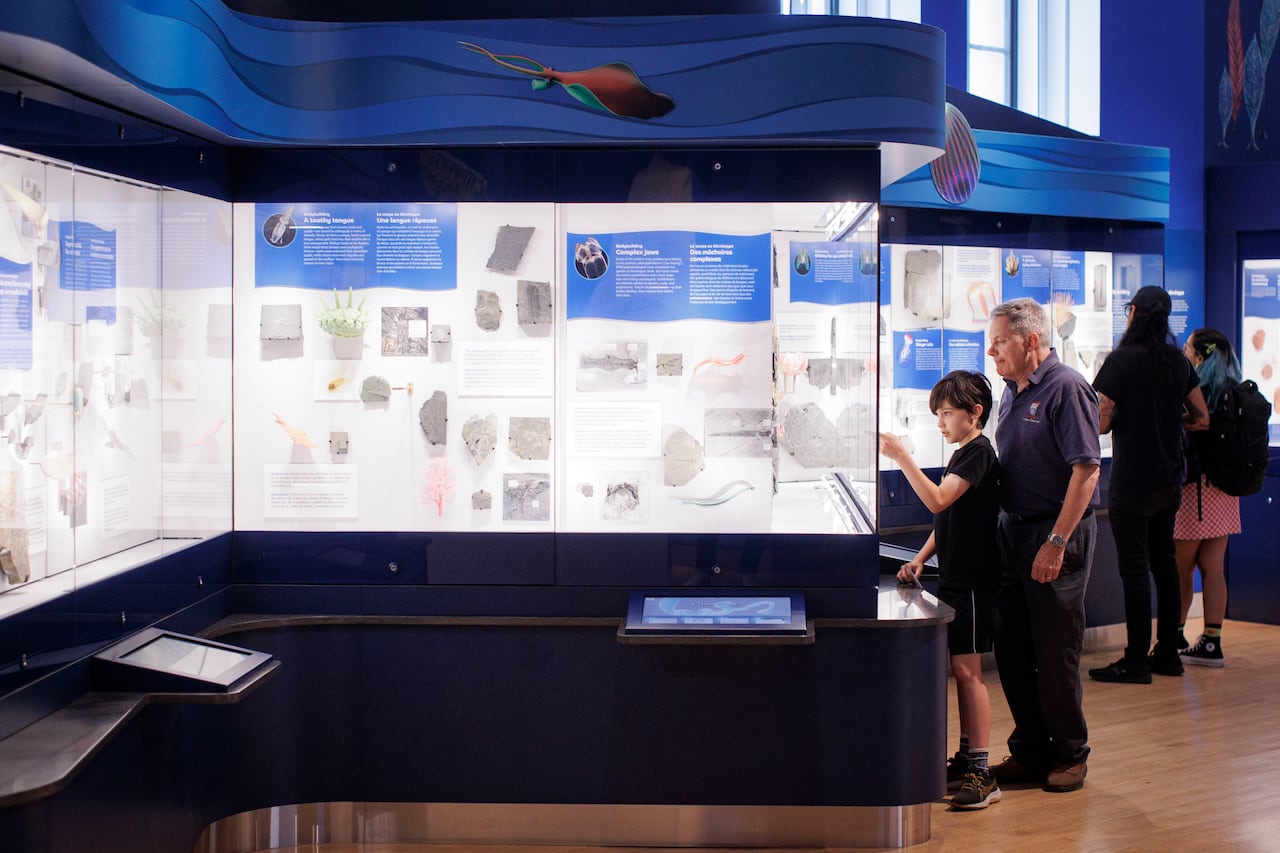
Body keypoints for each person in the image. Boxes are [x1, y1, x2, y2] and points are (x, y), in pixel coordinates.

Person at [985, 297, 1100, 794]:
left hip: (1054, 533)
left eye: (999, 342)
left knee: (1055, 653)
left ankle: (1070, 753)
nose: (991, 352)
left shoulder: (1067, 388)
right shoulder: (1012, 390)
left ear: (1030, 340)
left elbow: (1087, 470)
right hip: (1012, 532)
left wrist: (1056, 541)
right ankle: (1031, 750)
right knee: (1011, 648)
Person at [879, 370, 1002, 810]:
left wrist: (901, 455)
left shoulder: (977, 454)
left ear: (975, 413)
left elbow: (937, 500)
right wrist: (920, 557)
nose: (941, 424)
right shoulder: (963, 453)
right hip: (954, 574)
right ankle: (969, 756)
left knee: (969, 674)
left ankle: (982, 770)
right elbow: (947, 517)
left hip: (971, 580)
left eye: (947, 414)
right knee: (960, 670)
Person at [1087, 286, 1208, 684]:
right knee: (1165, 566)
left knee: (1134, 570)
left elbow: (1101, 421)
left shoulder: (1121, 361)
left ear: (1134, 313)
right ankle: (1168, 654)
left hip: (1131, 480)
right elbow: (1201, 417)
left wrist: (1126, 418)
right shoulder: (1177, 361)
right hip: (1167, 480)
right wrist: (1170, 423)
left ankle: (1136, 659)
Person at [1174, 328, 1243, 667]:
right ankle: (1212, 642)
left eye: (1187, 348)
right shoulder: (1234, 387)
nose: (1184, 352)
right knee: (1214, 570)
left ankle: (1175, 635)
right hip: (1225, 492)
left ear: (1200, 355)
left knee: (1180, 570)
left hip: (1193, 493)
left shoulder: (1199, 390)